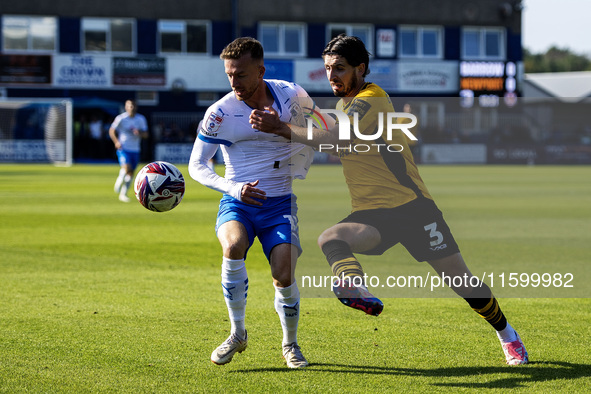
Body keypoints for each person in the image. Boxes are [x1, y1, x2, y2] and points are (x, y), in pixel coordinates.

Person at [249, 34, 528, 366]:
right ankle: (355, 288)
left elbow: (341, 136)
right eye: (327, 69)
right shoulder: (343, 105)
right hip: (372, 212)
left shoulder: (373, 97)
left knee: (460, 280)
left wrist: (283, 129)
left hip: (412, 207)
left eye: (339, 68)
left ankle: (507, 335)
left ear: (360, 68)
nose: (332, 75)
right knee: (331, 238)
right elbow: (339, 143)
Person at [188, 37, 318, 369]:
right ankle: (237, 333)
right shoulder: (220, 112)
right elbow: (197, 165)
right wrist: (231, 187)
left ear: (260, 71)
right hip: (238, 203)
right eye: (229, 75)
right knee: (232, 247)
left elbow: (328, 136)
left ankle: (290, 344)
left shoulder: (292, 96)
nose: (234, 83)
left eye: (241, 75)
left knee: (283, 273)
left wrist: (281, 128)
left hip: (280, 204)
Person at [109, 99, 148, 202]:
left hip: (135, 149)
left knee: (131, 173)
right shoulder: (121, 118)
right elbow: (111, 130)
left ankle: (123, 194)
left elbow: (146, 134)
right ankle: (120, 179)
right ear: (126, 107)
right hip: (124, 148)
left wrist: (139, 132)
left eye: (133, 106)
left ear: (136, 107)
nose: (131, 108)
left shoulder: (141, 119)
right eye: (129, 106)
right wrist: (116, 142)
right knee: (127, 168)